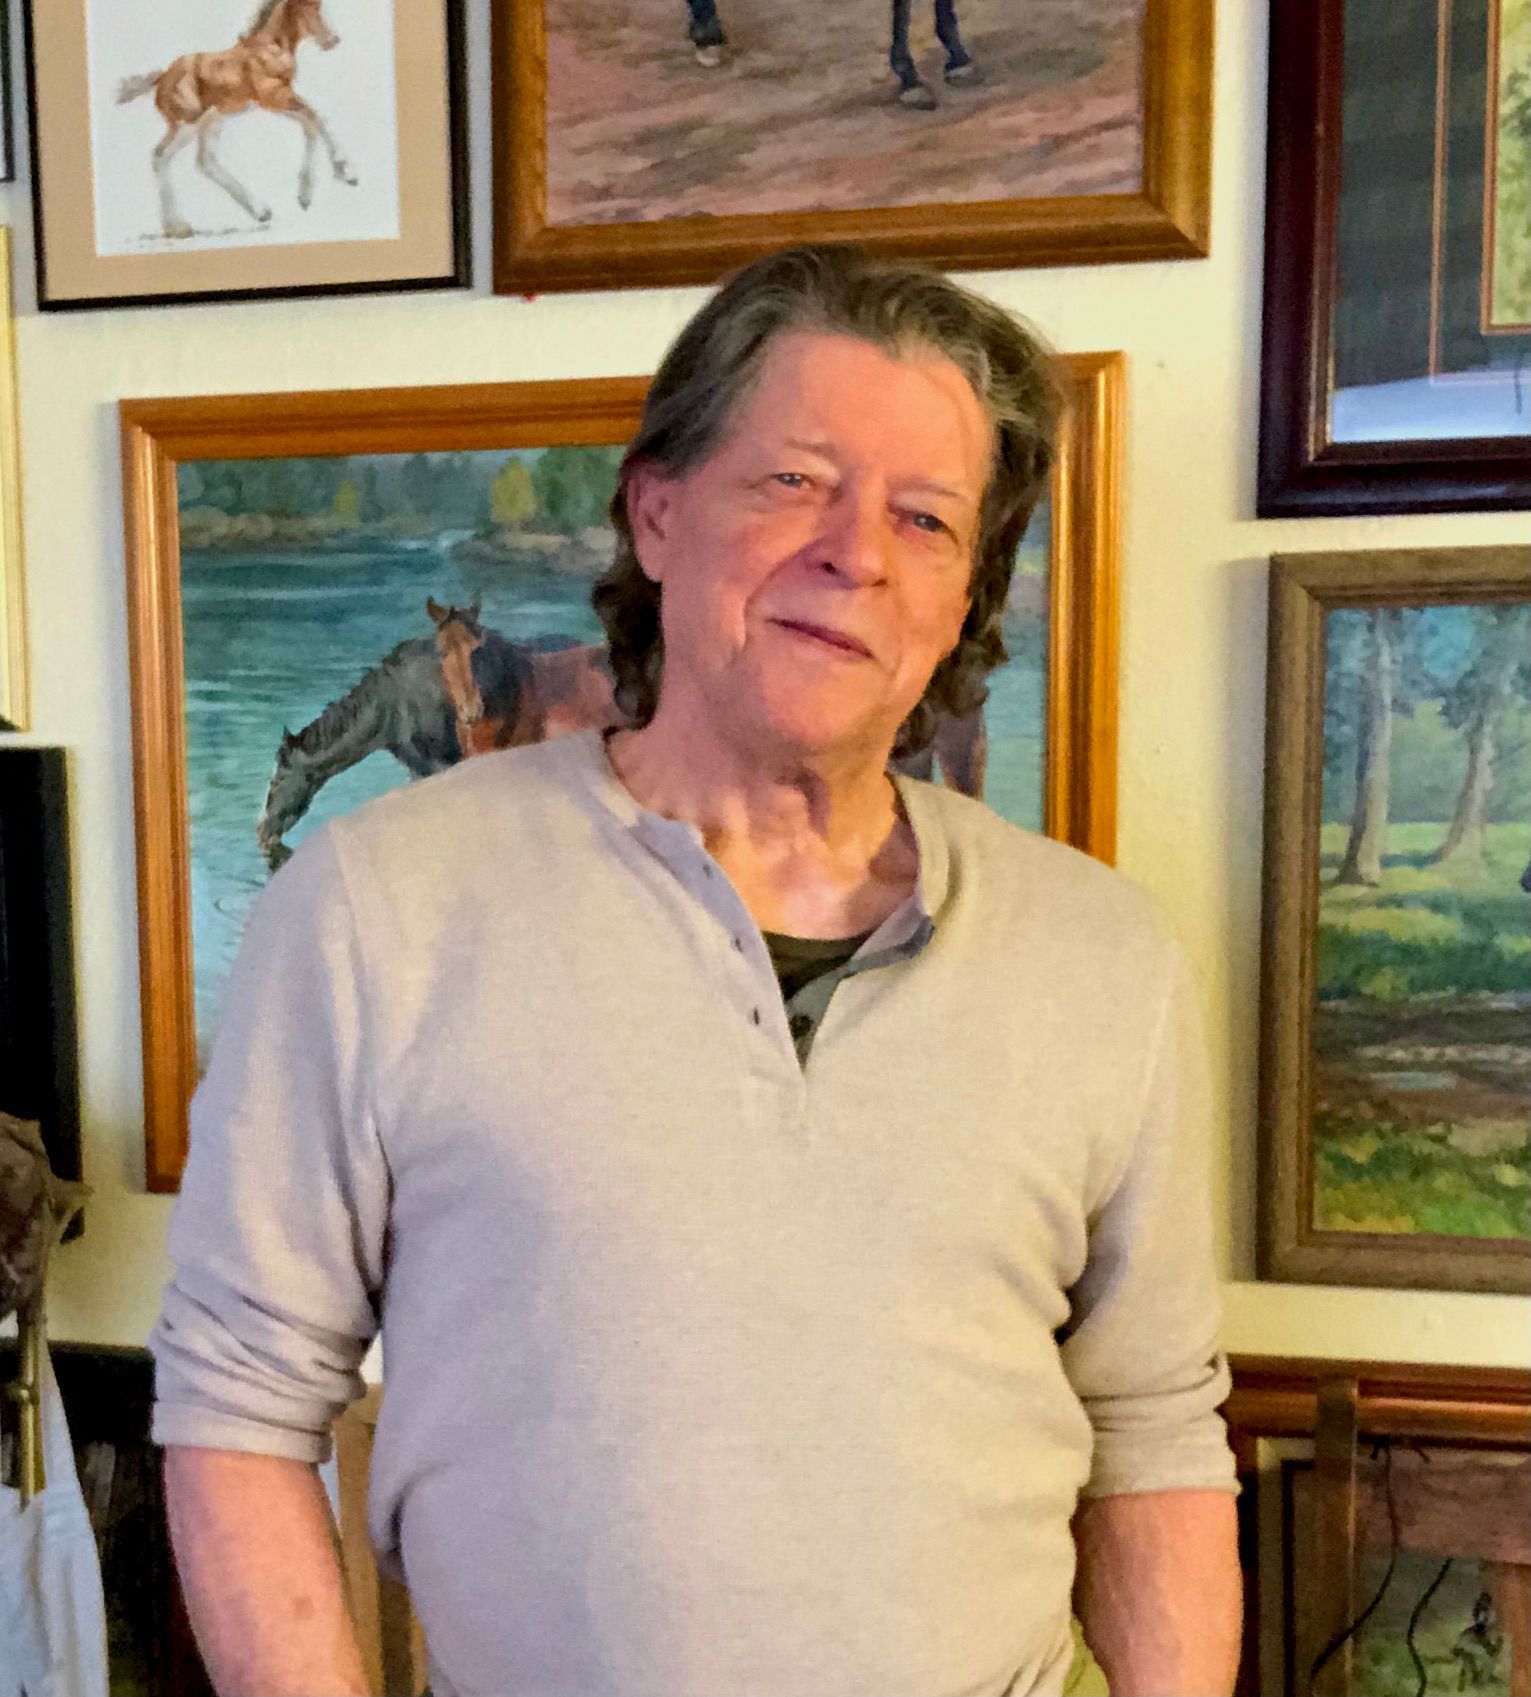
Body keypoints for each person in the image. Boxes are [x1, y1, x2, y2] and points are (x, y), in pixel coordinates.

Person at [151, 244, 1242, 1697]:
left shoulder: (1107, 957)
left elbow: (1158, 1435)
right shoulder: (375, 911)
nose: (856, 550)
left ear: (962, 594)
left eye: (925, 517)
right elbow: (236, 1403)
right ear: (656, 511)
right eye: (795, 479)